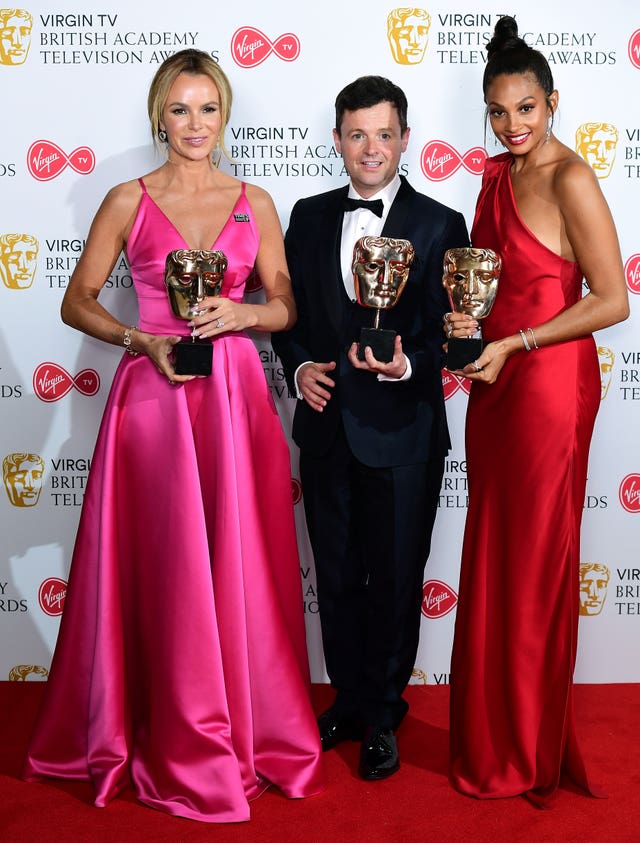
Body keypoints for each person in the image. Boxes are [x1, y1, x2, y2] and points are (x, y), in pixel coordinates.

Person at [23, 49, 324, 823]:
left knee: (236, 559)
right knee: (162, 566)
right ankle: (154, 728)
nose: (195, 124)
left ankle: (241, 728)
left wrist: (246, 314)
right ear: (161, 114)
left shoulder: (254, 199)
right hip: (153, 400)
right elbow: (76, 300)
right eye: (181, 109)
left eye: (209, 108)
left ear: (226, 115)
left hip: (232, 397)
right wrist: (138, 339)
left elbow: (285, 301)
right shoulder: (129, 197)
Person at [446, 16, 629, 806]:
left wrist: (516, 340)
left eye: (527, 109)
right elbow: (492, 289)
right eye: (498, 112)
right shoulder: (491, 177)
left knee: (535, 559)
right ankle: (493, 734)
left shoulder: (570, 177)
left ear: (553, 102)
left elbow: (613, 299)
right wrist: (469, 326)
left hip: (550, 384)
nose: (513, 125)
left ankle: (526, 747)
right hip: (495, 379)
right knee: (494, 549)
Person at [272, 75, 469, 781]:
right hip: (326, 429)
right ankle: (350, 700)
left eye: (385, 133)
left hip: (405, 431)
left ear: (406, 140)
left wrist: (410, 363)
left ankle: (385, 712)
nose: (371, 147)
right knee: (335, 576)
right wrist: (297, 374)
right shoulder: (308, 214)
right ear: (337, 141)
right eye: (357, 134)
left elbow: (453, 332)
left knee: (392, 578)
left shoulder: (442, 223)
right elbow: (287, 315)